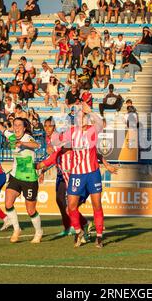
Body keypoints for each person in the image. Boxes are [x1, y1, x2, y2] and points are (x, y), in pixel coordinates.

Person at [0, 111, 42, 243]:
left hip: (30, 178)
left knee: (31, 210)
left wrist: (22, 144)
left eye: (19, 125)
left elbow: (36, 145)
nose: (16, 127)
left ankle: (38, 232)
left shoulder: (28, 138)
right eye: (14, 125)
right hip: (15, 176)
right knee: (8, 203)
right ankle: (17, 229)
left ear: (24, 127)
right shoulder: (10, 136)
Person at [63, 102, 106, 248]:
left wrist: (91, 111)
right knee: (71, 206)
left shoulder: (93, 130)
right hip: (77, 174)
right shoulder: (72, 131)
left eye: (81, 116)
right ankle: (78, 230)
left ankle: (99, 236)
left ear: (86, 118)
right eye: (77, 116)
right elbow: (60, 141)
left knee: (96, 205)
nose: (79, 118)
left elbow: (101, 123)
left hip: (93, 173)